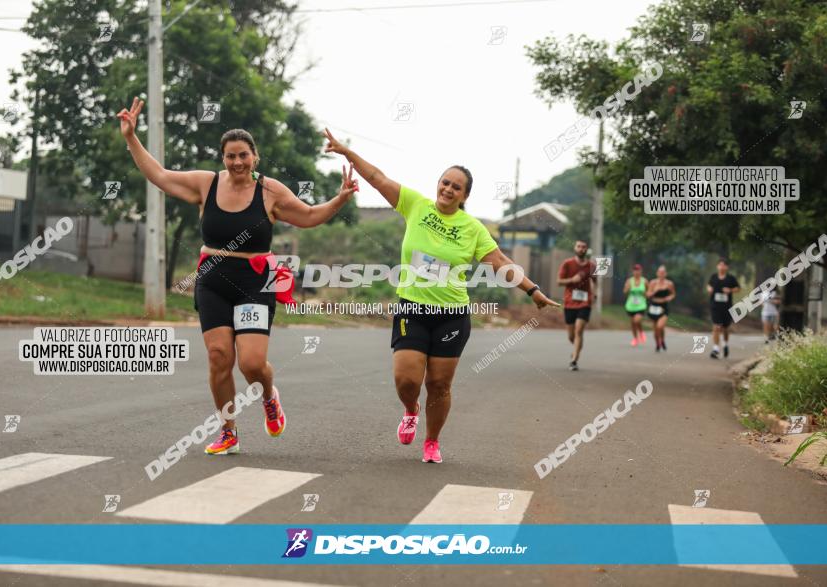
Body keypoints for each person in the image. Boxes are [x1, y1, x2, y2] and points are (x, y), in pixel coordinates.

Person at [117, 97, 358, 455]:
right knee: (218, 357)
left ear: (254, 156)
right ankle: (228, 431)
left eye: (243, 155)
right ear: (223, 158)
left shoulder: (271, 191)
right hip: (213, 280)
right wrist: (131, 138)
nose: (237, 162)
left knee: (251, 363)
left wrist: (338, 200)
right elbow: (160, 176)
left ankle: (269, 395)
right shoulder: (206, 184)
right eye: (230, 156)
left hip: (253, 283)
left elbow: (308, 216)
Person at [323, 128, 559, 464]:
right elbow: (377, 177)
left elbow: (500, 262)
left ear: (464, 196)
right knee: (406, 379)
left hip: (451, 315)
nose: (448, 188)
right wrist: (347, 152)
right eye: (444, 182)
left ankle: (432, 441)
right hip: (412, 308)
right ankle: (410, 409)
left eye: (456, 187)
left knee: (439, 384)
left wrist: (533, 290)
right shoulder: (415, 206)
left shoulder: (473, 228)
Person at [557, 240, 597, 371]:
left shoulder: (591, 266)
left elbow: (595, 282)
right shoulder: (567, 264)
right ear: (575, 248)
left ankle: (574, 360)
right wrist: (571, 280)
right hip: (569, 302)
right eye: (579, 246)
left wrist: (594, 294)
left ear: (586, 249)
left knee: (579, 330)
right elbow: (559, 281)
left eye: (584, 247)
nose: (581, 249)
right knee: (571, 335)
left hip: (585, 302)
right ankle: (576, 349)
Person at [706, 258, 740, 359]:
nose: (721, 267)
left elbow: (738, 288)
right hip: (715, 306)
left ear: (727, 267)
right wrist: (709, 288)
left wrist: (730, 290)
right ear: (717, 266)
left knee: (725, 328)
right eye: (720, 265)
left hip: (726, 307)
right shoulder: (714, 277)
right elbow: (709, 285)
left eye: (723, 265)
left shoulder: (730, 278)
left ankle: (725, 344)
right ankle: (716, 349)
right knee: (716, 326)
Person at [646, 265, 676, 352]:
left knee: (660, 326)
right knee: (655, 329)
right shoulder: (653, 283)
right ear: (657, 273)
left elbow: (673, 294)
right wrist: (655, 290)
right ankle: (658, 343)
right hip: (654, 306)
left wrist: (669, 298)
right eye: (660, 272)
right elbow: (648, 295)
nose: (661, 274)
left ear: (665, 274)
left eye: (663, 272)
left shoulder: (669, 284)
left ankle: (662, 339)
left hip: (663, 307)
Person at [623, 264, 648, 347]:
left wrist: (646, 294)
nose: (636, 272)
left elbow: (648, 292)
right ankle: (635, 338)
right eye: (635, 270)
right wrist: (628, 288)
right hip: (631, 305)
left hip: (641, 305)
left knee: (637, 320)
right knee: (633, 323)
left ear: (641, 271)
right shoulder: (629, 281)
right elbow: (625, 291)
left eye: (638, 270)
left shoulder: (644, 281)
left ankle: (641, 332)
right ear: (633, 271)